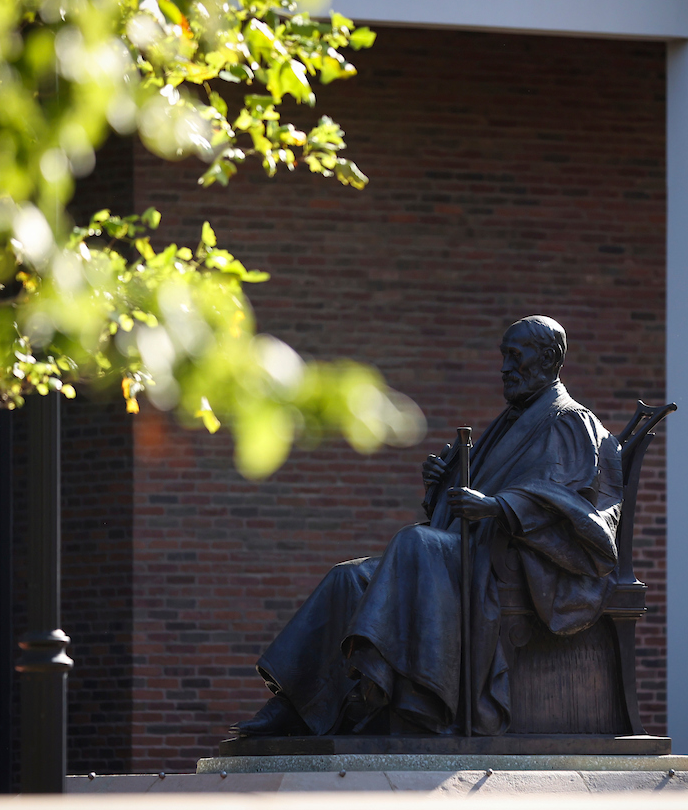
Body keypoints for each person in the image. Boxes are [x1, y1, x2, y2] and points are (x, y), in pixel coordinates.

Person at [233, 316, 624, 737]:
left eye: (515, 356)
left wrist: (498, 507)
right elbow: (463, 504)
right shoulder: (511, 421)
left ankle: (385, 692)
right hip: (466, 550)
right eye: (503, 357)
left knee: (415, 542)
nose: (505, 369)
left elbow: (567, 501)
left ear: (548, 358)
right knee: (348, 576)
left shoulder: (568, 421)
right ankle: (298, 703)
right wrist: (442, 484)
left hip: (510, 560)